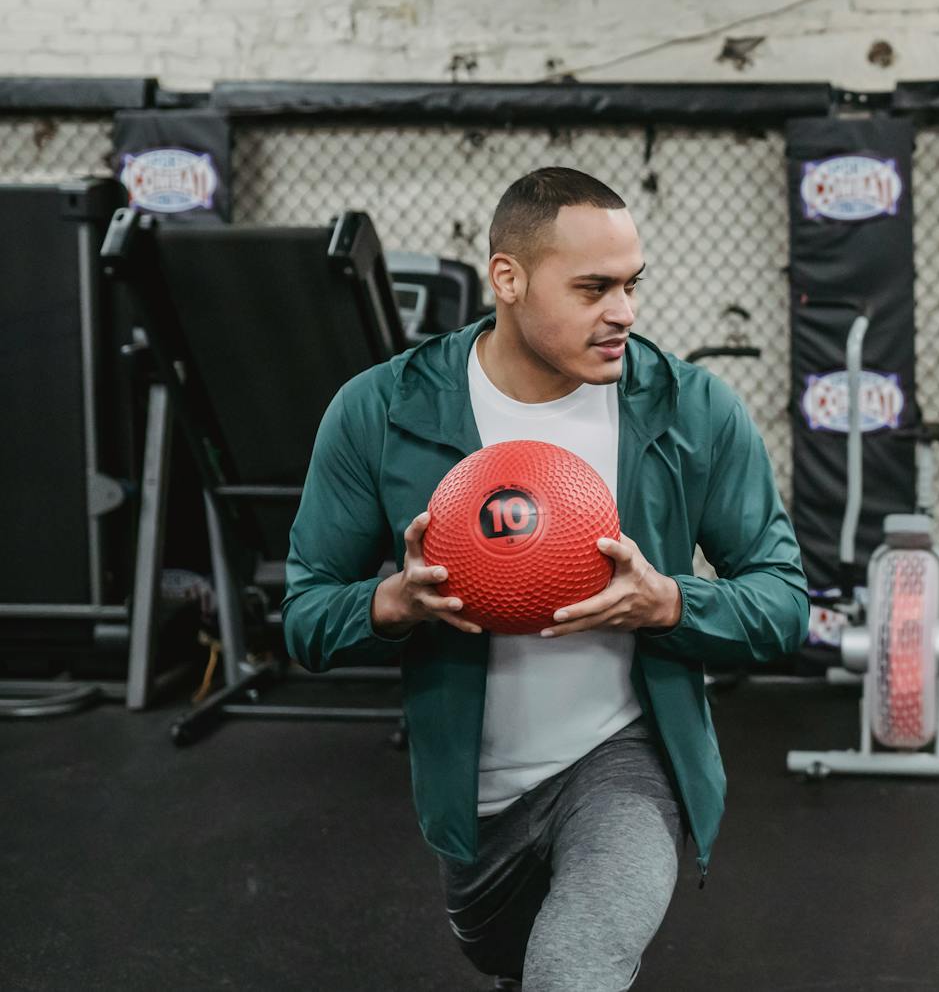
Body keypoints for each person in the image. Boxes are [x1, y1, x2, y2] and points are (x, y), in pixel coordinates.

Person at [283, 166, 809, 991]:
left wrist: (667, 601)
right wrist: (391, 603)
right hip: (478, 805)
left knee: (572, 971)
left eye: (633, 285)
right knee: (512, 963)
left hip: (624, 761)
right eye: (594, 288)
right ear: (508, 277)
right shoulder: (381, 410)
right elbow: (304, 614)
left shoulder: (690, 408)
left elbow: (783, 602)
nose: (624, 314)